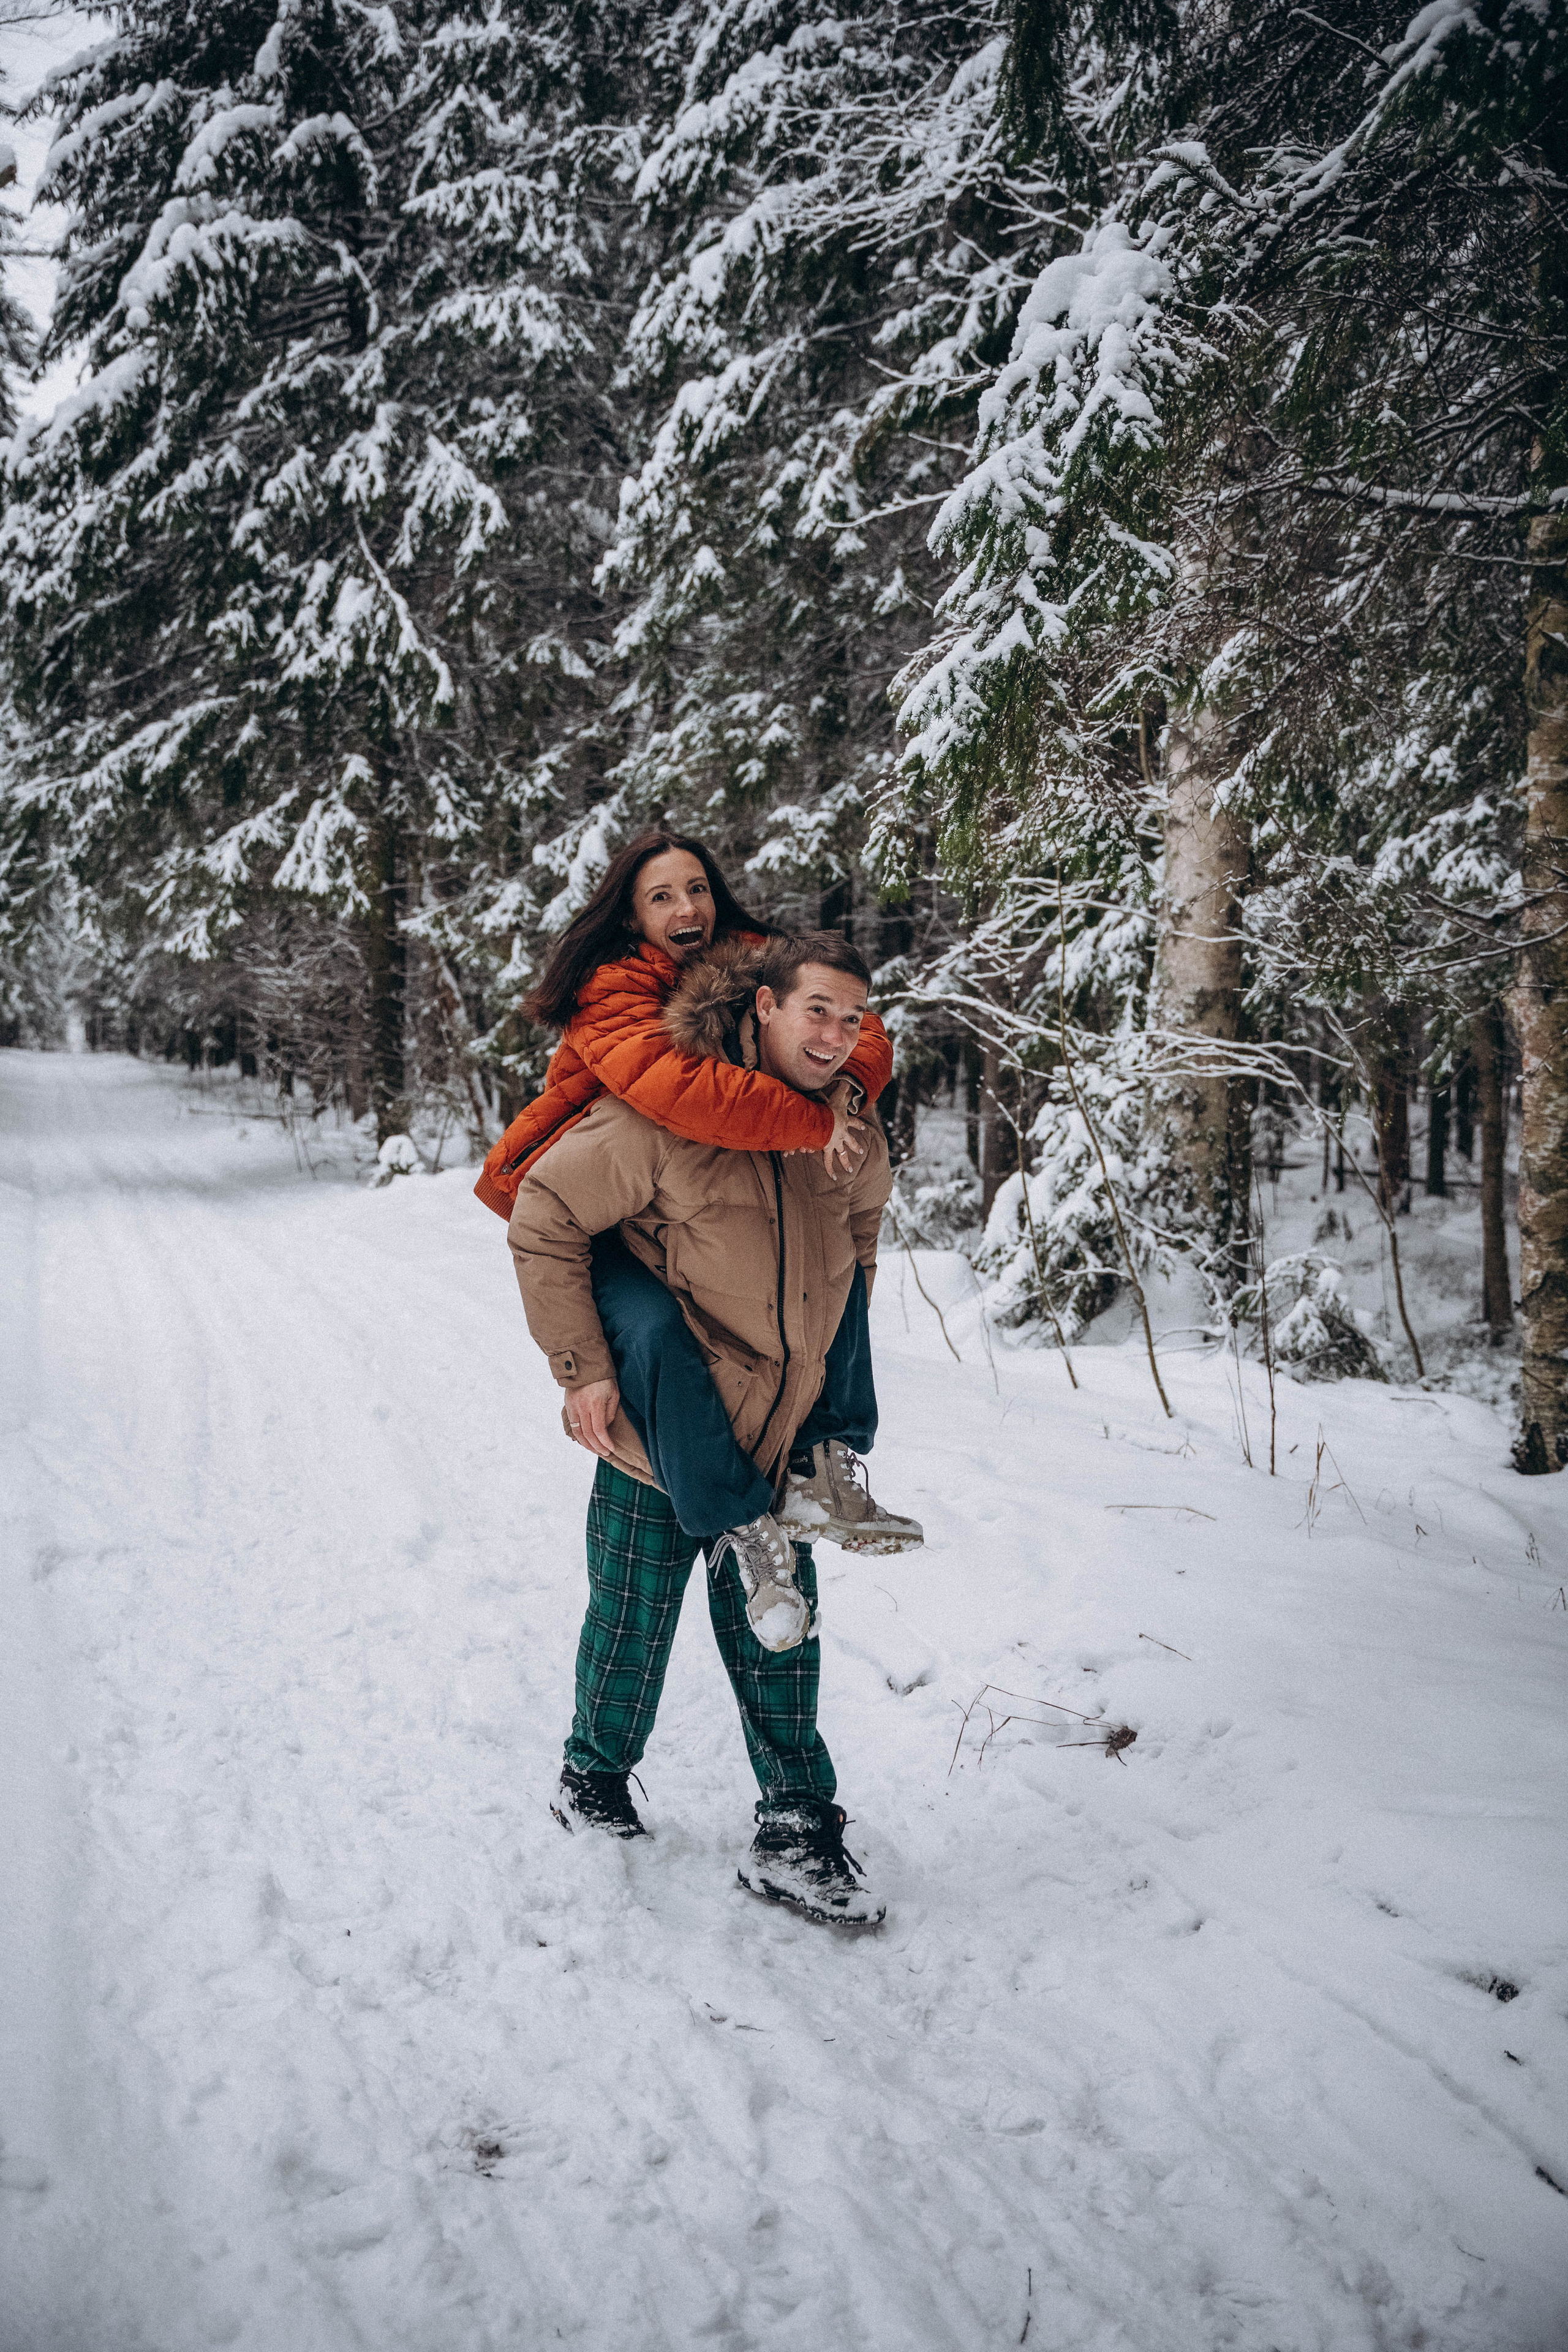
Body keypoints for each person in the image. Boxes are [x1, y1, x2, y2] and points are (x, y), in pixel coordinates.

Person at [507, 932, 909, 1929]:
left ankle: (796, 1822)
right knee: (633, 1625)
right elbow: (546, 1211)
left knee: (782, 1636)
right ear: (763, 1006)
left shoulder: (847, 1132)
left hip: (778, 1440)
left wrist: (830, 1401)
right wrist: (584, 1369)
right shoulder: (669, 1115)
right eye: (815, 1009)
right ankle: (594, 1780)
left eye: (851, 1017)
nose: (834, 1034)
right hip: (658, 1434)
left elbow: (857, 1248)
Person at [477, 826, 921, 1553]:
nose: (688, 906)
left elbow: (857, 1028)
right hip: (606, 1208)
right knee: (654, 1328)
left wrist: (842, 1085)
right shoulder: (613, 992)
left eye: (698, 888)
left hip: (717, 1189)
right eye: (662, 896)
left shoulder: (753, 959)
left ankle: (820, 1471)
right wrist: (815, 1120)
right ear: (632, 917)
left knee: (832, 1274)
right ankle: (732, 1521)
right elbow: (687, 1093)